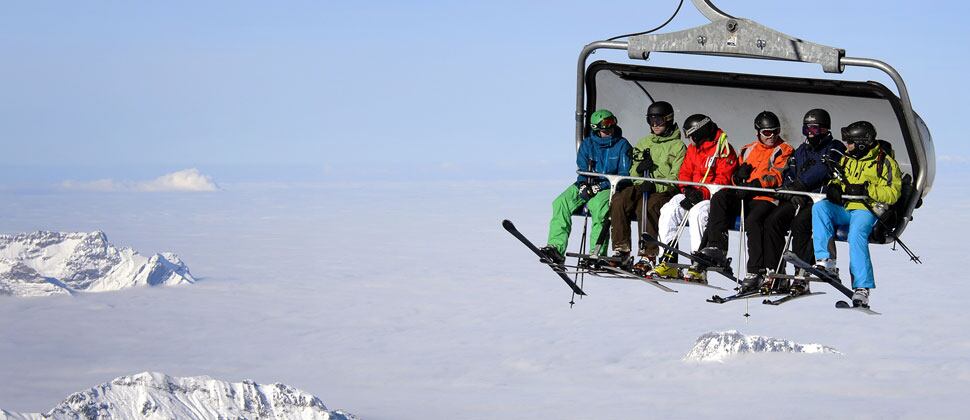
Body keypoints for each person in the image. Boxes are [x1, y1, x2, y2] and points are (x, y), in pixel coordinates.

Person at [692, 111, 793, 287]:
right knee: (720, 198)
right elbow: (735, 175)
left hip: (767, 197)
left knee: (753, 221)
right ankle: (717, 247)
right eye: (767, 133)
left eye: (775, 131)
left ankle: (756, 270)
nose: (772, 136)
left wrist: (755, 184)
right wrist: (737, 178)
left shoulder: (784, 150)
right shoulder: (748, 149)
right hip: (746, 194)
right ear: (759, 132)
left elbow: (777, 175)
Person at [812, 120, 901, 307]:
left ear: (862, 143)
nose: (847, 145)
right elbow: (838, 179)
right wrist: (834, 188)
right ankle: (826, 261)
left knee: (856, 234)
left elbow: (893, 193)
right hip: (846, 207)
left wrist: (867, 190)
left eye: (850, 142)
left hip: (868, 209)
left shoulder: (885, 163)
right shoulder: (847, 158)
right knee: (820, 208)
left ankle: (862, 287)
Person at [762, 109, 845, 294]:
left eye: (814, 130)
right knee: (773, 221)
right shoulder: (802, 150)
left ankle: (802, 274)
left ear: (824, 129)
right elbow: (790, 171)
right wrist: (790, 190)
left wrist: (800, 185)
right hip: (799, 198)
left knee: (801, 224)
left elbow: (825, 169)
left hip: (818, 200)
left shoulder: (834, 146)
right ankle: (774, 271)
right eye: (806, 129)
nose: (810, 134)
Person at [648, 114, 738, 280]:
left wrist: (701, 193)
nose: (690, 140)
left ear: (700, 133)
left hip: (710, 196)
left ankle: (699, 264)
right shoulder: (693, 149)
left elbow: (723, 179)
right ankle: (668, 261)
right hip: (692, 193)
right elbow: (685, 173)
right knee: (669, 209)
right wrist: (687, 190)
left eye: (692, 136)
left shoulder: (723, 149)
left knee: (698, 213)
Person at [539, 109, 632, 264]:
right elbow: (582, 169)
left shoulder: (622, 145)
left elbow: (624, 174)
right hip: (587, 183)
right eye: (605, 125)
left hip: (610, 186)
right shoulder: (587, 145)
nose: (610, 128)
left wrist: (600, 186)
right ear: (596, 128)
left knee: (598, 207)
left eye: (612, 123)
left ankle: (596, 253)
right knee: (561, 202)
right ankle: (556, 247)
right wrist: (583, 185)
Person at [608, 101, 687, 270]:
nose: (655, 125)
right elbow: (633, 171)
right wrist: (639, 171)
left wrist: (656, 185)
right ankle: (621, 249)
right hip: (642, 185)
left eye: (659, 120)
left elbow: (676, 176)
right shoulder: (644, 142)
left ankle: (648, 254)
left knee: (648, 206)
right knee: (619, 200)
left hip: (664, 190)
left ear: (668, 120)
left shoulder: (678, 146)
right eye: (651, 121)